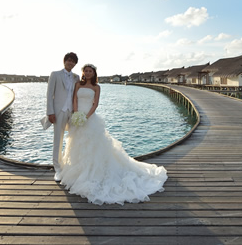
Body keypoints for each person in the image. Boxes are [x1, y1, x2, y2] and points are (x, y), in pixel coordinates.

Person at [60, 64, 168, 205]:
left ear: (93, 73)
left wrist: (86, 117)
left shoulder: (97, 87)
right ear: (83, 72)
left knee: (93, 146)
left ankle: (92, 172)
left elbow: (95, 104)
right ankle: (77, 172)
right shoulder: (78, 85)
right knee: (77, 144)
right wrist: (76, 114)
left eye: (90, 71)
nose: (87, 73)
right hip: (77, 116)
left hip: (90, 118)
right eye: (85, 71)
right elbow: (74, 99)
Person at [46, 52, 79, 182]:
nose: (70, 63)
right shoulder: (55, 74)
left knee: (74, 139)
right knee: (58, 140)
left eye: (73, 61)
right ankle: (58, 168)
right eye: (68, 60)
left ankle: (71, 165)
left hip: (72, 112)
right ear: (64, 61)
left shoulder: (76, 77)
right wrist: (50, 112)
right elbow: (49, 95)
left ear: (75, 64)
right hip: (59, 111)